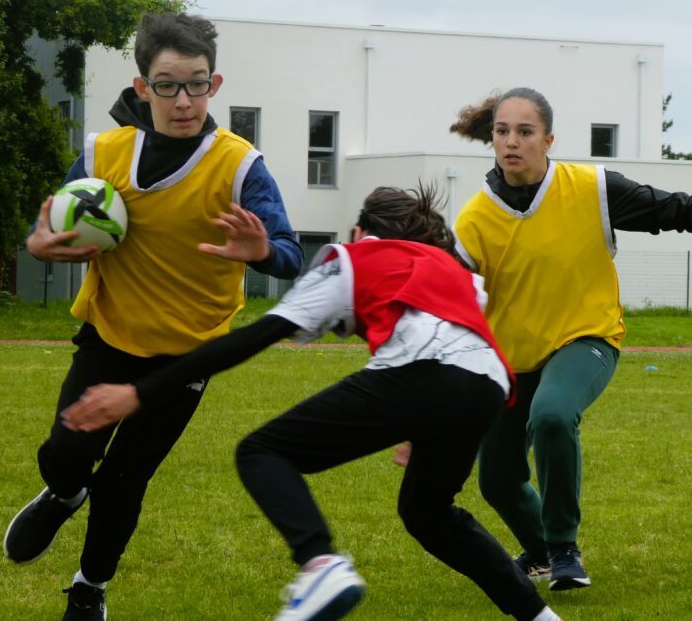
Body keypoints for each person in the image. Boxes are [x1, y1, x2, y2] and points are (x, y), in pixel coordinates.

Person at [61, 186, 563, 621]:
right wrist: (425, 421)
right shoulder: (453, 271)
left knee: (263, 451)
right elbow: (458, 346)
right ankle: (537, 614)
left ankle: (320, 564)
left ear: (360, 230)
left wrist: (139, 391)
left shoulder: (352, 258)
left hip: (426, 371)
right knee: (428, 514)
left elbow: (256, 336)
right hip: (488, 385)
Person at [2, 12, 304, 620]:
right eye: (168, 84)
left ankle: (89, 588)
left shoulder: (241, 166)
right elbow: (53, 227)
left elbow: (292, 257)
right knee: (66, 453)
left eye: (197, 84)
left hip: (186, 356)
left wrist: (262, 251)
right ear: (143, 88)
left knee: (124, 481)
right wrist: (40, 245)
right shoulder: (103, 152)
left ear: (215, 86)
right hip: (109, 335)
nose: (184, 100)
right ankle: (63, 492)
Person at [448, 87, 692, 591]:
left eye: (524, 131)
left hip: (587, 337)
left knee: (554, 415)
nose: (511, 141)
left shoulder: (591, 187)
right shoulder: (475, 219)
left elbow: (673, 209)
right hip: (510, 359)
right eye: (502, 131)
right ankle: (538, 553)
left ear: (548, 139)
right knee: (496, 479)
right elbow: (451, 312)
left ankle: (563, 549)